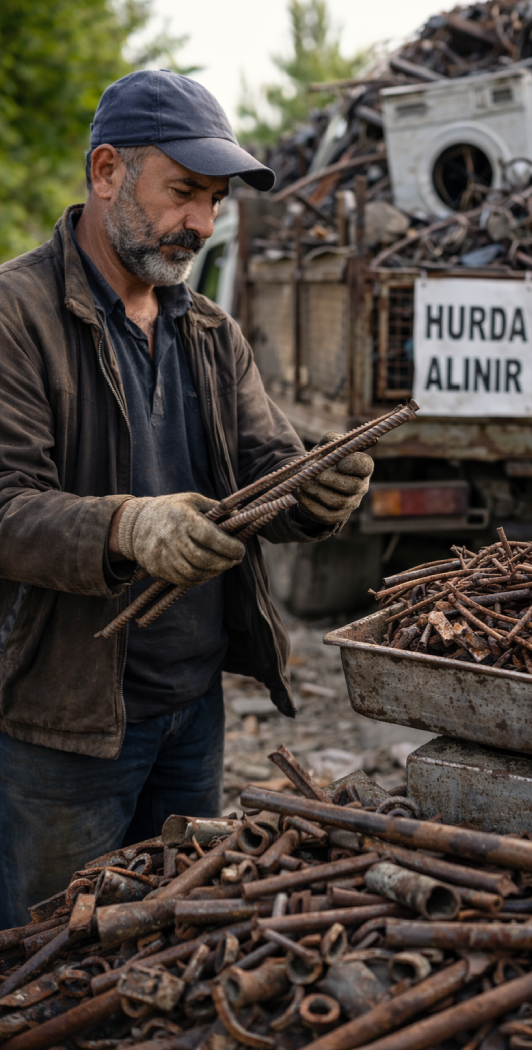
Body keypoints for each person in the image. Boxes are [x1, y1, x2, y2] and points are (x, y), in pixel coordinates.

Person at [0, 70, 374, 928]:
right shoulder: (14, 317)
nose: (202, 224)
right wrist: (129, 525)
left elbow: (267, 470)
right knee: (52, 957)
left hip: (191, 711)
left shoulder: (208, 329)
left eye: (213, 200)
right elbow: (6, 507)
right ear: (105, 173)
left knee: (169, 944)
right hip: (65, 724)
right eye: (184, 193)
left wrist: (316, 493)